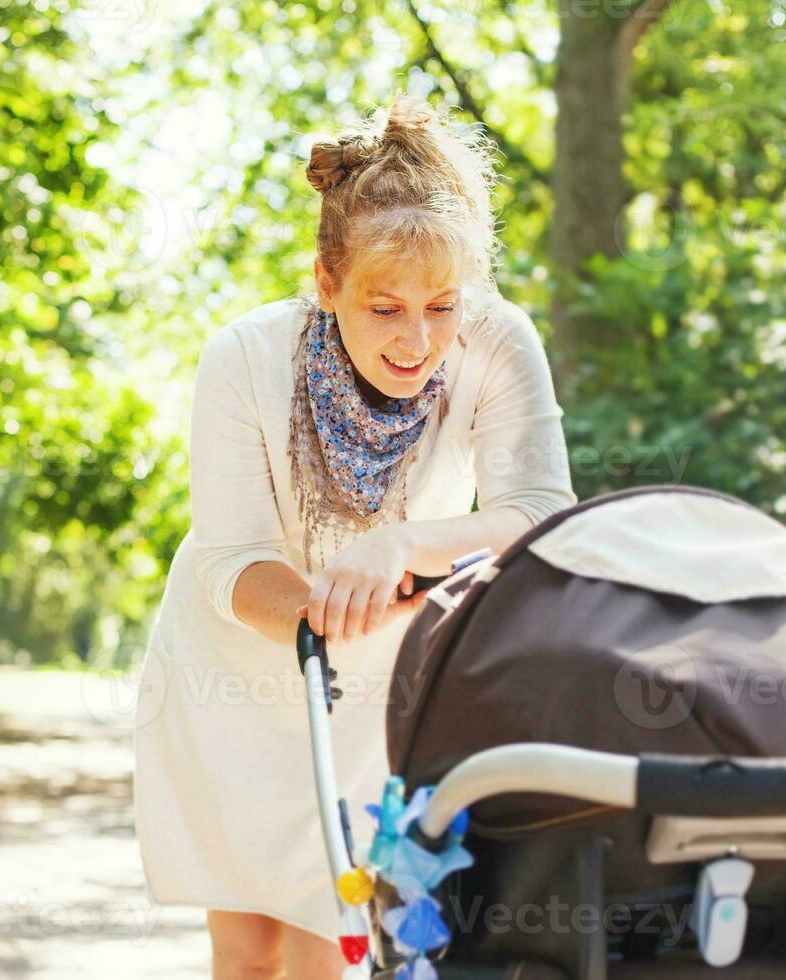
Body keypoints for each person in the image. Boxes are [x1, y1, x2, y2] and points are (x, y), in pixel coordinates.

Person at [132, 93, 577, 979]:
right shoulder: (245, 357)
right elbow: (230, 558)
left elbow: (542, 516)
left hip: (387, 679)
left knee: (330, 932)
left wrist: (398, 549)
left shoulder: (497, 343)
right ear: (326, 282)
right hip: (241, 665)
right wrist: (324, 608)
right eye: (383, 308)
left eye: (442, 307)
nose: (417, 341)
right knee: (248, 945)